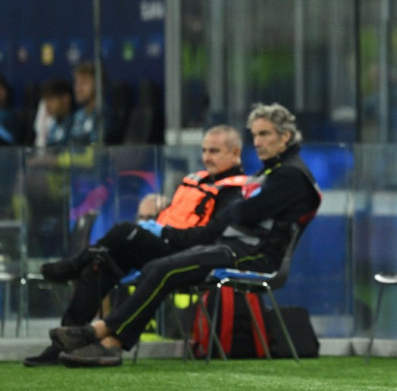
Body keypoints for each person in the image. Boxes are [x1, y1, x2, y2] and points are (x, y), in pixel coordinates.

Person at [47, 103, 322, 367]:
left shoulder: (291, 176)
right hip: (231, 248)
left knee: (162, 267)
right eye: (256, 135)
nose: (258, 142)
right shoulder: (275, 171)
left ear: (285, 136)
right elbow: (242, 212)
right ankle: (99, 337)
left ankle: (101, 337)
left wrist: (234, 212)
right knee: (144, 262)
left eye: (265, 134)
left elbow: (244, 213)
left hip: (252, 256)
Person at [22, 125, 249, 367]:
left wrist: (163, 232)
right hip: (166, 245)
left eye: (214, 151)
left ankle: (76, 264)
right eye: (204, 150)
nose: (206, 157)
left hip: (191, 255)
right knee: (100, 263)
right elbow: (179, 216)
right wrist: (158, 221)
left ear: (235, 152)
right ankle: (62, 344)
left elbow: (210, 236)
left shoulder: (236, 191)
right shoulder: (198, 180)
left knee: (125, 231)